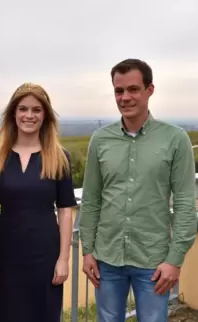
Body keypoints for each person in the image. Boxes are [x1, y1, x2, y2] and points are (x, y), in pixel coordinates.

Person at [80, 58, 197, 322]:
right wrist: (87, 251)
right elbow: (91, 200)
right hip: (107, 259)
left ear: (150, 89)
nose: (125, 97)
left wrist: (175, 260)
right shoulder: (101, 140)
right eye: (119, 91)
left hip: (154, 262)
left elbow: (185, 205)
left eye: (133, 89)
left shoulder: (175, 139)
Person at [0, 82, 77, 322]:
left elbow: (65, 210)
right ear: (13, 113)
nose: (29, 115)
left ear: (45, 115)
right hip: (6, 256)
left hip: (45, 256)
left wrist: (63, 259)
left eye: (36, 109)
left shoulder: (59, 158)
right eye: (23, 109)